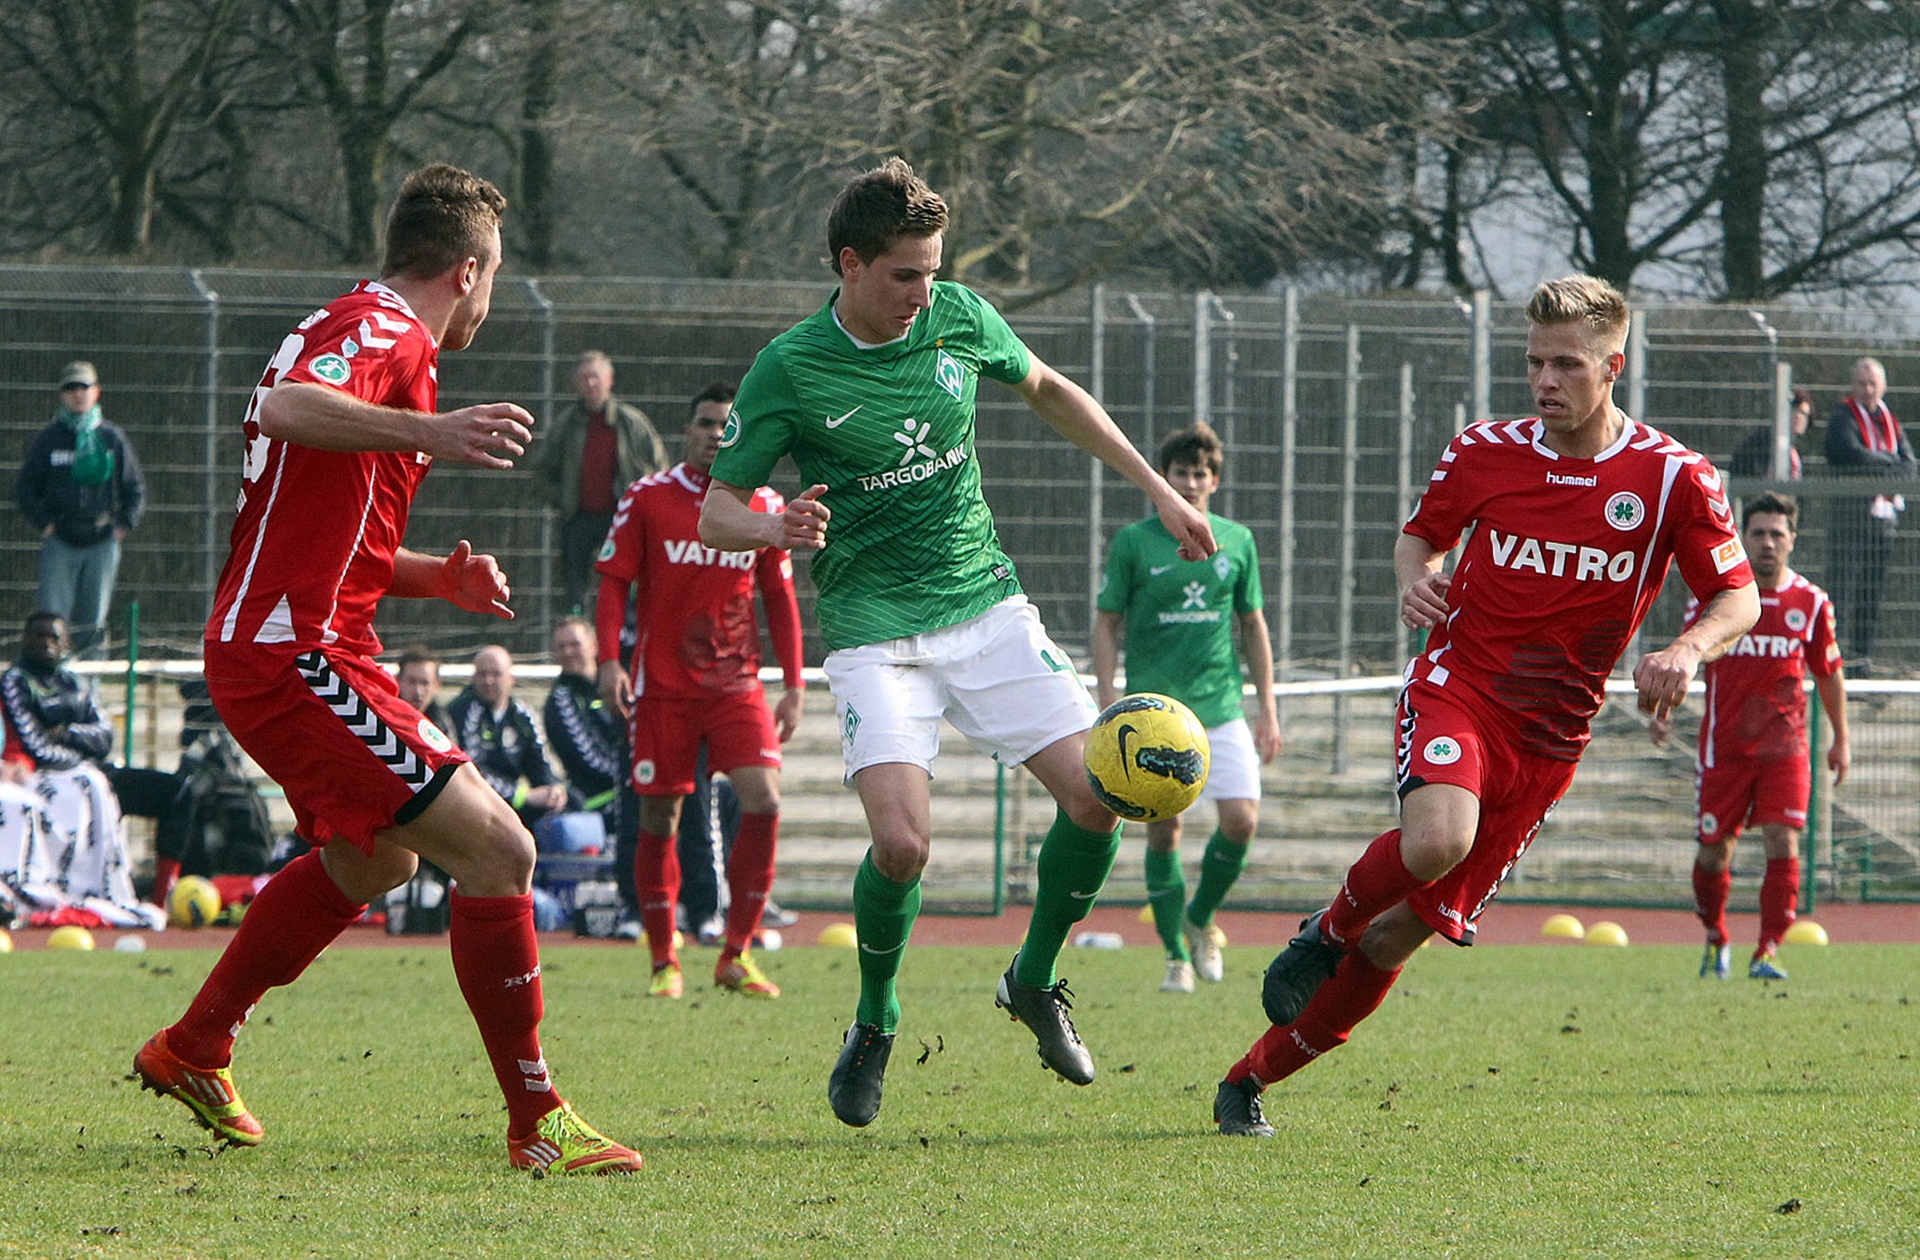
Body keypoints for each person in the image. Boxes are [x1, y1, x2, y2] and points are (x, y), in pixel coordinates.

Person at [132, 163, 641, 1174]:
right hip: (294, 656)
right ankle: (537, 1119)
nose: (489, 302)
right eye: (493, 278)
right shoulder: (386, 331)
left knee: (381, 859)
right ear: (468, 268)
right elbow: (285, 407)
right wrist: (431, 433)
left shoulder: (367, 326)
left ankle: (196, 1046)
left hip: (293, 644)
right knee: (501, 851)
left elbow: (319, 527)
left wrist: (432, 581)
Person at [700, 157, 1215, 1127]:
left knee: (1102, 798)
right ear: (849, 264)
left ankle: (1034, 979)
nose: (923, 292)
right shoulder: (792, 365)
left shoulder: (957, 318)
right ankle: (875, 1020)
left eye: (934, 270)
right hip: (872, 633)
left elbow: (1051, 388)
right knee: (901, 847)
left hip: (985, 608)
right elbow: (715, 509)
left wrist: (1155, 485)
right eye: (905, 274)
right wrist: (773, 528)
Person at [1210, 276, 1760, 1138]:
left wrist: (1687, 646)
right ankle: (1323, 930)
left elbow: (1738, 597)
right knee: (1437, 840)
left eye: (1567, 364)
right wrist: (1414, 579)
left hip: (1552, 737)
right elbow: (1420, 537)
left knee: (1397, 941)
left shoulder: (1672, 478)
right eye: (1534, 362)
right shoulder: (1483, 450)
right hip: (1460, 687)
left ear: (1615, 365)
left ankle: (1249, 1079)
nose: (1545, 380)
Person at [597, 380, 806, 1000]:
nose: (716, 434)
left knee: (764, 801)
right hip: (663, 686)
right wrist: (610, 661)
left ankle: (735, 954)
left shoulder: (762, 504)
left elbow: (780, 600)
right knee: (659, 814)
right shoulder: (649, 498)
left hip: (736, 684)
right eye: (706, 424)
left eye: (726, 425)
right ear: (687, 432)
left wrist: (794, 684)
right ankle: (665, 958)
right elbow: (613, 583)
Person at [1091, 422, 1280, 993]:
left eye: (1201, 474)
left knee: (1242, 820)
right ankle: (1175, 954)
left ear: (1214, 482)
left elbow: (1252, 624)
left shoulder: (1237, 540)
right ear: (1163, 480)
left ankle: (1199, 920)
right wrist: (1108, 701)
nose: (1191, 482)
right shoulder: (1134, 541)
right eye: (1181, 473)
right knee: (1164, 832)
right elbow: (1106, 622)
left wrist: (1266, 708)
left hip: (1220, 710)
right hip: (1155, 716)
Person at [1650, 492, 1849, 981]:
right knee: (1714, 852)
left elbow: (1828, 673)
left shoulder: (1811, 602)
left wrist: (1841, 737)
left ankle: (1766, 952)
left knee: (1784, 842)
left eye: (1776, 534)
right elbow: (1687, 659)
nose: (1766, 543)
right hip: (1725, 750)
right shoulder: (1713, 603)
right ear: (1743, 537)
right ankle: (1716, 937)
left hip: (1786, 749)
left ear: (1792, 541)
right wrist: (1664, 711)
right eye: (1757, 533)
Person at [0, 611, 167, 927]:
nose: (46, 643)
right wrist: (76, 749)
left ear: (65, 643)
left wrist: (66, 733)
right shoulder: (16, 681)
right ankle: (34, 891)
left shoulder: (74, 682)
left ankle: (155, 898)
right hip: (51, 773)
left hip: (88, 768)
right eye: (38, 635)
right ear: (24, 639)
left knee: (178, 790)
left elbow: (104, 735)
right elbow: (34, 744)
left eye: (54, 637)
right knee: (78, 787)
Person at [15, 360, 147, 658]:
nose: (77, 393)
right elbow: (25, 489)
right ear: (62, 394)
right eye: (70, 388)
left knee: (93, 624)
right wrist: (44, 524)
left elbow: (135, 490)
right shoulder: (48, 439)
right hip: (60, 540)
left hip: (102, 542)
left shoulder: (112, 438)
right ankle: (49, 686)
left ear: (96, 392)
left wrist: (122, 527)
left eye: (84, 387)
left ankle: (89, 694)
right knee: (50, 620)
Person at [534, 350, 669, 613]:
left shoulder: (632, 423)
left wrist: (646, 505)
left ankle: (626, 631)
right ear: (575, 382)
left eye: (595, 377)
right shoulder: (565, 426)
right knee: (575, 588)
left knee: (626, 581)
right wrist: (563, 499)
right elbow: (541, 474)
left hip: (623, 518)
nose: (590, 384)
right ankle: (577, 631)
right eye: (584, 378)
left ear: (610, 380)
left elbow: (660, 467)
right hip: (578, 518)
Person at [1823, 357, 1914, 674]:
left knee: (1871, 594)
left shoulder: (1891, 421)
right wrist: (1889, 462)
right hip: (1851, 518)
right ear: (1852, 385)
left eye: (1872, 383)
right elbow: (1848, 453)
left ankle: (1862, 662)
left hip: (1883, 522)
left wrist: (1886, 462)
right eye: (1861, 383)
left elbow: (1909, 463)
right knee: (1842, 591)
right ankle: (1831, 658)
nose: (1866, 389)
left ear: (1883, 387)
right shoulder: (1842, 416)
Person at [446, 645, 571, 830]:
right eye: (482, 674)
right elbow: (472, 771)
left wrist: (552, 790)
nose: (488, 680)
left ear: (510, 679)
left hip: (517, 801)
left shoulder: (523, 715)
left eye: (496, 674)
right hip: (476, 803)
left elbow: (540, 762)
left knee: (572, 800)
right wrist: (523, 795)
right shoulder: (460, 711)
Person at [1729, 388, 1812, 481]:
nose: (1799, 418)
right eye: (1795, 411)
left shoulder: (1797, 450)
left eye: (1804, 414)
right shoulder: (1761, 443)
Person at [393, 643, 451, 734]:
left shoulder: (443, 723)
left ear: (436, 685)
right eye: (411, 682)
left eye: (425, 683)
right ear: (398, 681)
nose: (418, 691)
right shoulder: (385, 718)